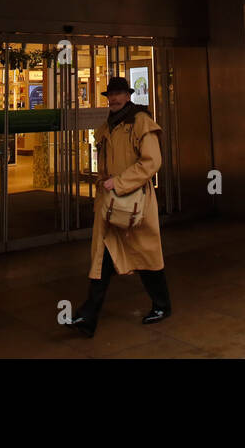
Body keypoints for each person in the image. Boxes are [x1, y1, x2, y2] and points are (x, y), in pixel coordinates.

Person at [68, 76, 170, 338]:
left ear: (128, 95)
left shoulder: (141, 122)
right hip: (111, 203)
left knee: (146, 255)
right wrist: (104, 184)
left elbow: (152, 162)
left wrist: (120, 182)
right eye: (110, 94)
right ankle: (88, 316)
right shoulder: (107, 127)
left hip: (136, 203)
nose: (113, 98)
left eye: (118, 94)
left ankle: (162, 305)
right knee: (103, 256)